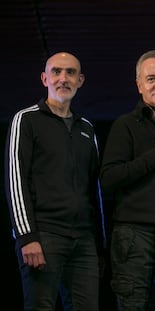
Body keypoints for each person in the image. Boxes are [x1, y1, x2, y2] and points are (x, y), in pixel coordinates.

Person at [4, 52, 106, 310]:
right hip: (44, 235)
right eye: (57, 72)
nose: (63, 78)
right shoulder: (26, 119)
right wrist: (27, 237)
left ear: (80, 80)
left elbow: (96, 191)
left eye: (71, 72)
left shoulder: (87, 129)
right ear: (44, 78)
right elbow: (15, 180)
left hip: (83, 241)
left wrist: (99, 244)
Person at [100, 49, 155, 311]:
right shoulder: (126, 125)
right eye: (151, 79)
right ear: (139, 85)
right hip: (133, 235)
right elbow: (108, 179)